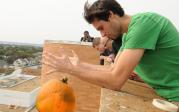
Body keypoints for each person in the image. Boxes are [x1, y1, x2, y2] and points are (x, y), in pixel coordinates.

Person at [43, 0, 179, 103]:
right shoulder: (127, 35)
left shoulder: (143, 24)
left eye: (101, 27)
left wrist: (71, 70)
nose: (102, 35)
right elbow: (112, 69)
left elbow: (115, 81)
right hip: (168, 97)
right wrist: (79, 65)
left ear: (110, 15)